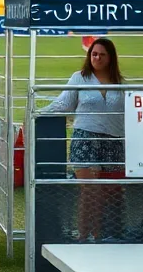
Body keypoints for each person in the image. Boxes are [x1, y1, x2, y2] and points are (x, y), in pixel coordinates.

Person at [41, 38, 125, 242]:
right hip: (85, 138)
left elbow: (129, 114)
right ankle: (83, 236)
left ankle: (98, 236)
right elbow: (64, 104)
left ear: (110, 57)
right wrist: (37, 114)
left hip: (113, 141)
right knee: (89, 189)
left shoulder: (121, 83)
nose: (96, 58)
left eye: (102, 54)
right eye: (94, 54)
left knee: (107, 192)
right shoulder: (79, 78)